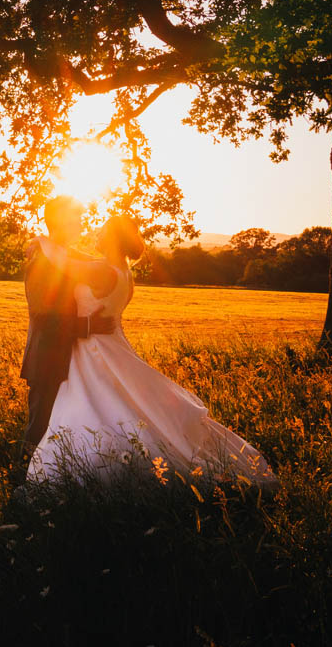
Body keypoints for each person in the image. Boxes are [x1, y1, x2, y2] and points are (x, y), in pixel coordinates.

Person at [25, 215, 280, 492]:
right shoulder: (122, 273)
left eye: (101, 232)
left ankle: (99, 471)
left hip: (94, 349)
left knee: (99, 405)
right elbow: (79, 261)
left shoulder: (101, 272)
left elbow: (63, 263)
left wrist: (41, 241)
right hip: (113, 344)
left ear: (111, 239)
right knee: (119, 405)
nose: (95, 235)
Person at [18, 196, 115, 474]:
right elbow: (42, 318)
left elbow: (89, 263)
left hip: (71, 360)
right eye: (76, 216)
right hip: (48, 359)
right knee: (39, 430)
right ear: (61, 220)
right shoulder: (42, 264)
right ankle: (21, 484)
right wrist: (87, 327)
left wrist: (42, 240)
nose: (82, 221)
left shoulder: (60, 255)